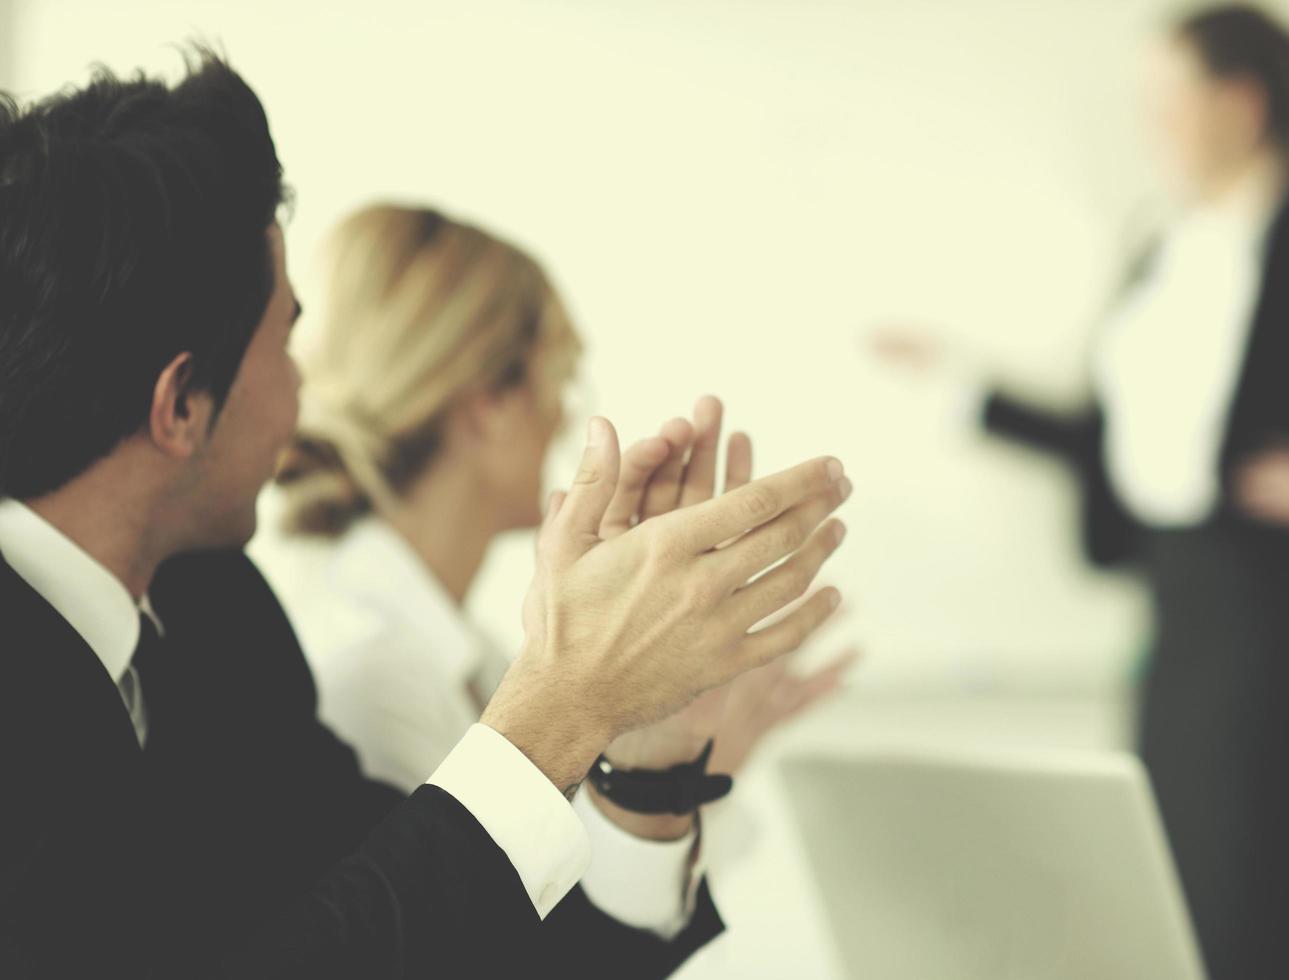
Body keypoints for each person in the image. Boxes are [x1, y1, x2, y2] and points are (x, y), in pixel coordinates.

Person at [0, 51, 851, 978]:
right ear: (179, 406)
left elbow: (460, 947)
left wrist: (641, 763)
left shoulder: (211, 609)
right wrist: (559, 703)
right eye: (287, 339)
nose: (307, 390)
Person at [876, 5, 1289, 978]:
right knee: (1172, 911)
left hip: (1270, 620)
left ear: (1239, 104)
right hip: (1177, 614)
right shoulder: (1162, 249)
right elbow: (1110, 445)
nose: (1151, 127)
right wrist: (963, 389)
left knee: (1259, 922)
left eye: (1167, 101)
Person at [253, 206, 853, 836]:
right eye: (559, 380)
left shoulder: (469, 656)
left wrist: (666, 767)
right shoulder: (373, 670)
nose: (566, 422)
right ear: (488, 403)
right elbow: (490, 928)